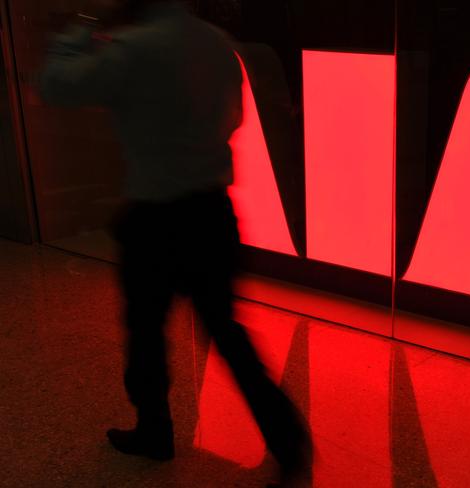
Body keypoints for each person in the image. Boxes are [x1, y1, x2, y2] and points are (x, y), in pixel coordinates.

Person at [39, 0, 311, 484]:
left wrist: (80, 27)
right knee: (226, 331)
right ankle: (288, 440)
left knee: (146, 330)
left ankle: (154, 430)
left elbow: (57, 85)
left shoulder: (132, 48)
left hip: (155, 215)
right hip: (212, 210)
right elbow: (233, 119)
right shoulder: (217, 44)